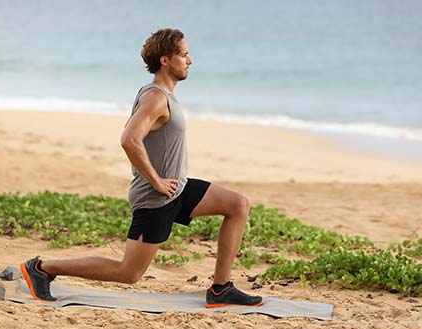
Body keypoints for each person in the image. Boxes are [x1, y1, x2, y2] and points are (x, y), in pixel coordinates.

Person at [20, 28, 263, 308]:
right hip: (156, 197)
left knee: (237, 205)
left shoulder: (163, 95)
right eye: (184, 55)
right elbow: (129, 139)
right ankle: (42, 268)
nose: (190, 60)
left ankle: (220, 289)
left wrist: (165, 181)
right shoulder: (155, 97)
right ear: (165, 60)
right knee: (129, 273)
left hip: (178, 189)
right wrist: (157, 181)